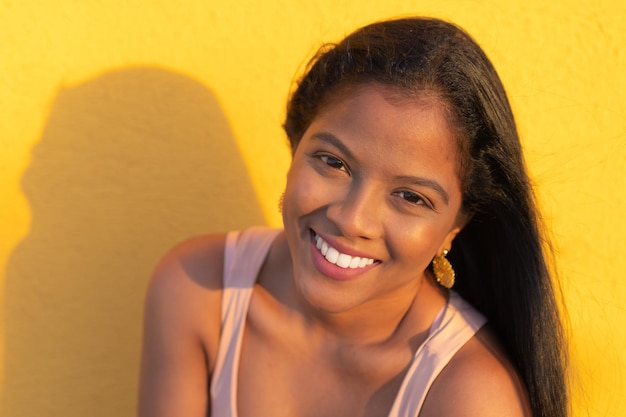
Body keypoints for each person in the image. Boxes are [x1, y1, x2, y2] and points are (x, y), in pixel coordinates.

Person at [138, 17, 569, 417]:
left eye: (410, 197)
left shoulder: (470, 396)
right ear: (295, 144)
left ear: (454, 228)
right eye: (333, 162)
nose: (352, 219)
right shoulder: (198, 290)